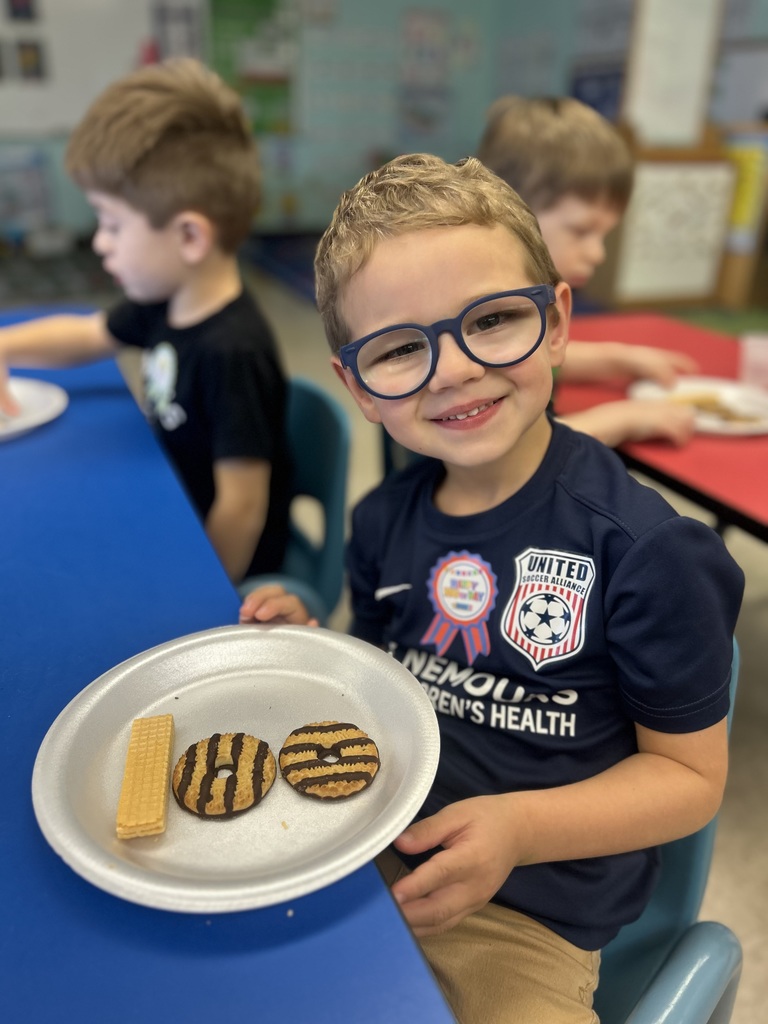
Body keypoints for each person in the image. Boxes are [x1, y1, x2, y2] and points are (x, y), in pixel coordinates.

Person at [239, 154, 744, 1024]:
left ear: (554, 322)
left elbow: (689, 780)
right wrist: (317, 638)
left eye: (493, 320)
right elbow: (387, 674)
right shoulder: (382, 520)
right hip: (362, 846)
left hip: (528, 916)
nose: (455, 370)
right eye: (401, 348)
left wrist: (517, 830)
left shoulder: (648, 551)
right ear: (358, 384)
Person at [0, 57, 291, 585]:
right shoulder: (165, 300)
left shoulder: (232, 352)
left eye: (112, 224)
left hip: (220, 559)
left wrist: (202, 603)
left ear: (188, 238)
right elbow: (87, 335)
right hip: (169, 505)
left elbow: (242, 510)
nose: (98, 243)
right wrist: (3, 345)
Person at [476, 95, 698, 447]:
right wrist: (622, 420)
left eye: (604, 234)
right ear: (512, 211)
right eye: (582, 231)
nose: (597, 254)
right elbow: (519, 451)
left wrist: (620, 359)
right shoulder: (488, 310)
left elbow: (541, 355)